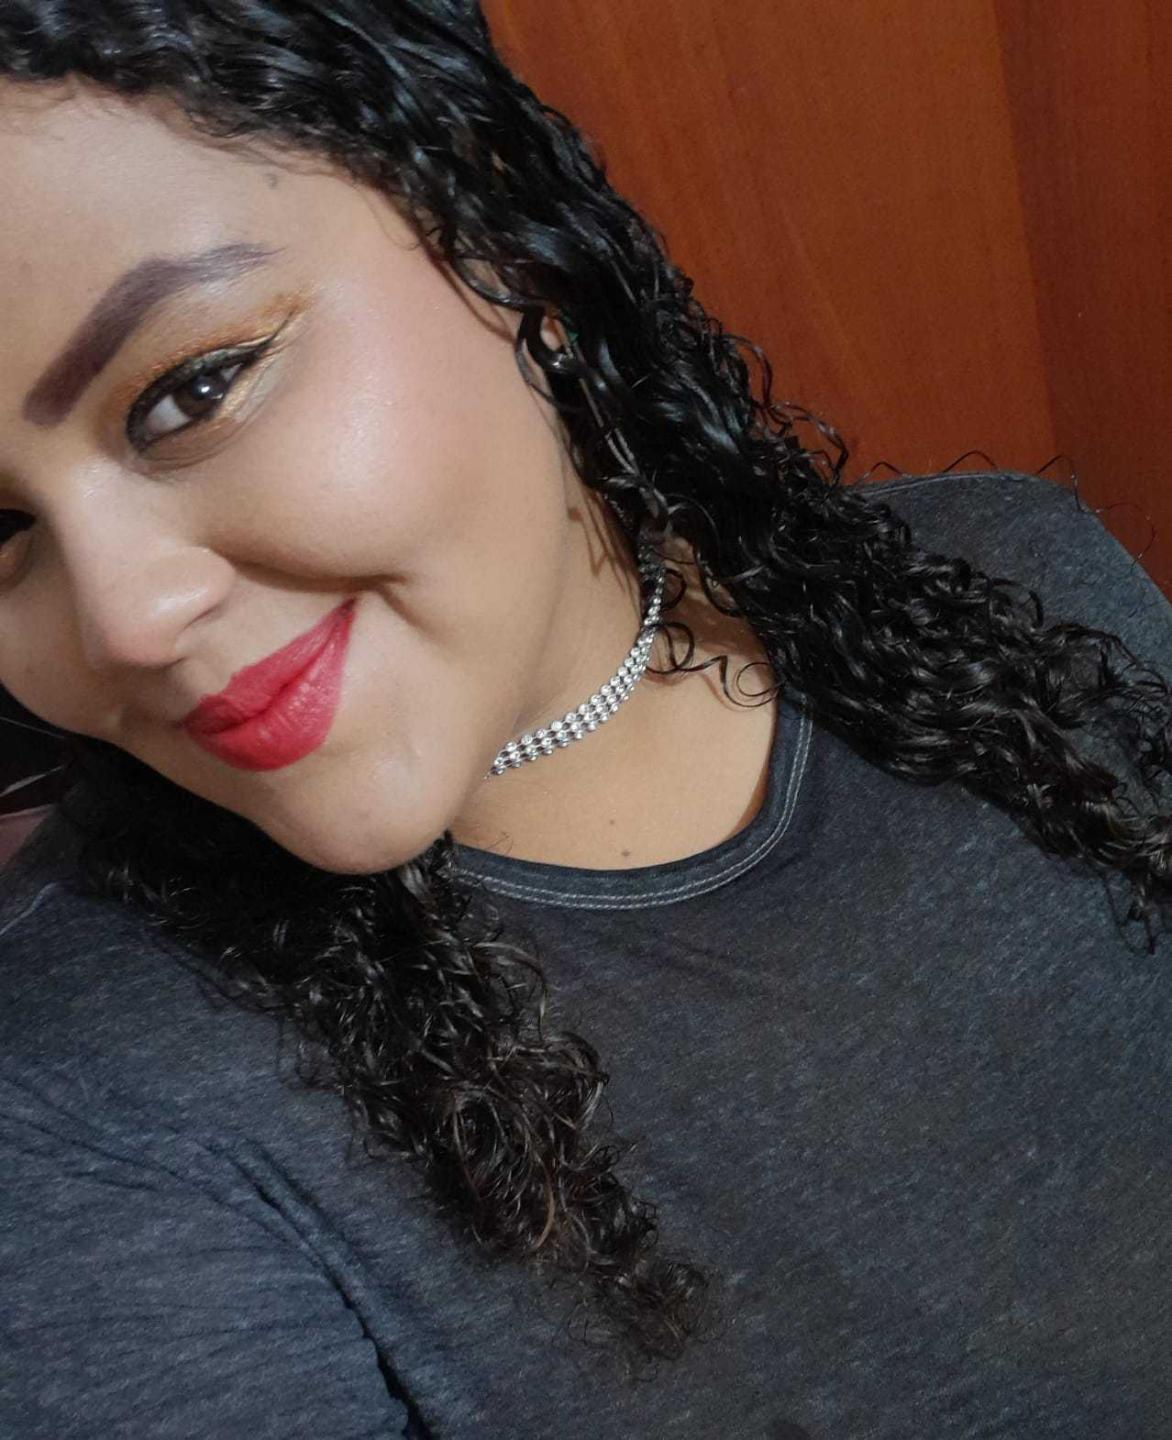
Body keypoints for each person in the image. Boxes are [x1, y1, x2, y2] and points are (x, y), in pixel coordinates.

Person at [2, 3, 1171, 1437]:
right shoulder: (82, 1118)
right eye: (0, 531)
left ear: (497, 233)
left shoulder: (1017, 581)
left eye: (193, 390)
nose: (117, 622)